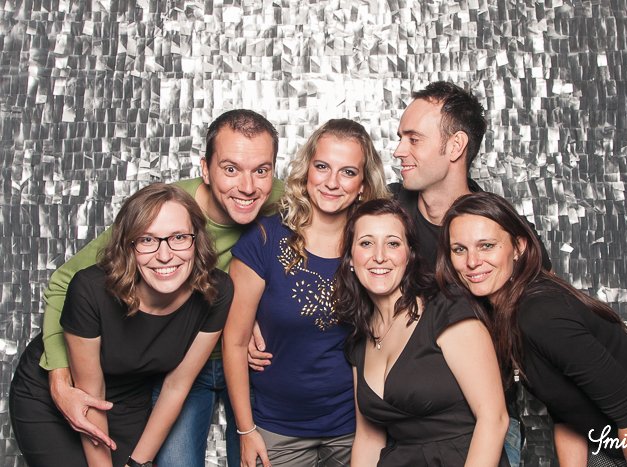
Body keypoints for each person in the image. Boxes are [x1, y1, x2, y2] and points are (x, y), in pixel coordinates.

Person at [36, 109, 283, 467]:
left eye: (261, 170)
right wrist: (60, 379)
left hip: (248, 359)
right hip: (177, 362)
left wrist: (257, 311)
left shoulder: (283, 200)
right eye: (230, 169)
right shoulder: (165, 213)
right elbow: (67, 282)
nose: (247, 186)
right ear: (205, 169)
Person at [437, 191, 627, 467]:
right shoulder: (506, 316)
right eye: (459, 249)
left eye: (487, 246)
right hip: (620, 452)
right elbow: (567, 410)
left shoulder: (540, 315)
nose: (472, 262)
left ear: (518, 247)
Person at [10, 183, 233, 466]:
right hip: (63, 395)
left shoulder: (216, 291)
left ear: (196, 240)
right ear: (129, 246)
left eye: (179, 237)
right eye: (147, 240)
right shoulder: (90, 289)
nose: (165, 255)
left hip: (129, 401)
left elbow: (177, 386)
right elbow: (92, 393)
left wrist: (138, 463)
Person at [391, 80, 550, 465]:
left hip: (483, 425)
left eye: (414, 139)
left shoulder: (504, 235)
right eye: (400, 138)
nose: (398, 151)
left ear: (455, 146)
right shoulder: (385, 212)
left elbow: (546, 320)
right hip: (398, 427)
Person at [223, 118, 389, 466]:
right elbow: (235, 343)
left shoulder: (373, 247)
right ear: (306, 170)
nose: (332, 182)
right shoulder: (264, 239)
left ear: (363, 184)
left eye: (347, 172)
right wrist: (246, 430)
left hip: (356, 428)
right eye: (322, 166)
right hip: (276, 429)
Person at [333, 198, 509, 466]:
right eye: (366, 243)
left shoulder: (446, 310)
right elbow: (369, 440)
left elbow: (494, 419)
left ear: (410, 255)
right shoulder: (359, 339)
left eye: (393, 243)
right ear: (350, 259)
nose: (379, 256)